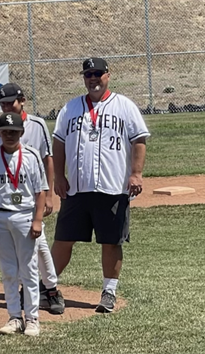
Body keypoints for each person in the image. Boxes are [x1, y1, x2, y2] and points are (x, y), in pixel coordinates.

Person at [51, 58, 149, 314]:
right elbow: (59, 142)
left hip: (113, 187)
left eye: (97, 73)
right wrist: (59, 177)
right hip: (78, 188)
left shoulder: (124, 106)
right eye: (88, 74)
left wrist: (136, 174)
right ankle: (45, 286)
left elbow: (139, 140)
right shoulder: (71, 108)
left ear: (108, 75)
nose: (92, 78)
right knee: (63, 239)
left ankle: (109, 291)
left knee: (111, 241)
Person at [0, 83, 64, 314]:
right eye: (3, 103)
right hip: (8, 197)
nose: (6, 107)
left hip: (33, 194)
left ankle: (51, 290)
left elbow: (48, 158)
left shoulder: (36, 124)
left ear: (22, 100)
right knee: (34, 246)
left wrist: (48, 195)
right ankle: (43, 289)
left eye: (10, 102)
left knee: (40, 245)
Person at [0, 113, 48, 337]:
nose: (9, 135)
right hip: (0, 217)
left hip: (25, 216)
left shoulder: (31, 156)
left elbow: (40, 191)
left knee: (28, 269)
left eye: (14, 131)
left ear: (22, 132)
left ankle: (32, 318)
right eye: (5, 131)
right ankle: (13, 317)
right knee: (8, 269)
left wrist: (37, 220)